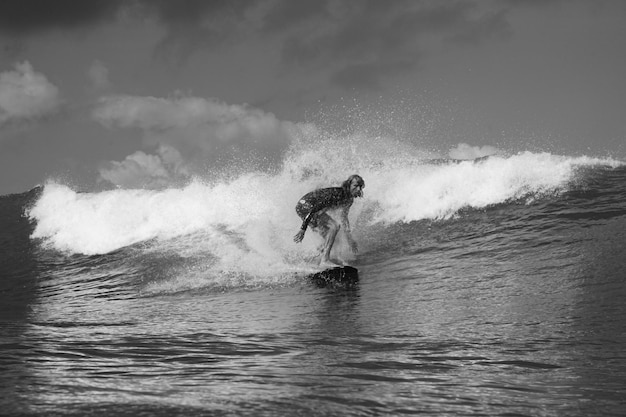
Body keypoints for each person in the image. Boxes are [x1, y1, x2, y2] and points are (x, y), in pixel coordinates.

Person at [293, 174, 365, 266]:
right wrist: (302, 229)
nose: (358, 189)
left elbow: (344, 218)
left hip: (309, 210)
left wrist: (350, 239)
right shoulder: (337, 194)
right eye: (355, 186)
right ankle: (324, 260)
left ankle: (316, 260)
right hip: (305, 206)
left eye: (360, 187)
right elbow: (314, 209)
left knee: (331, 238)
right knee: (334, 227)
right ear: (348, 185)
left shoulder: (348, 200)